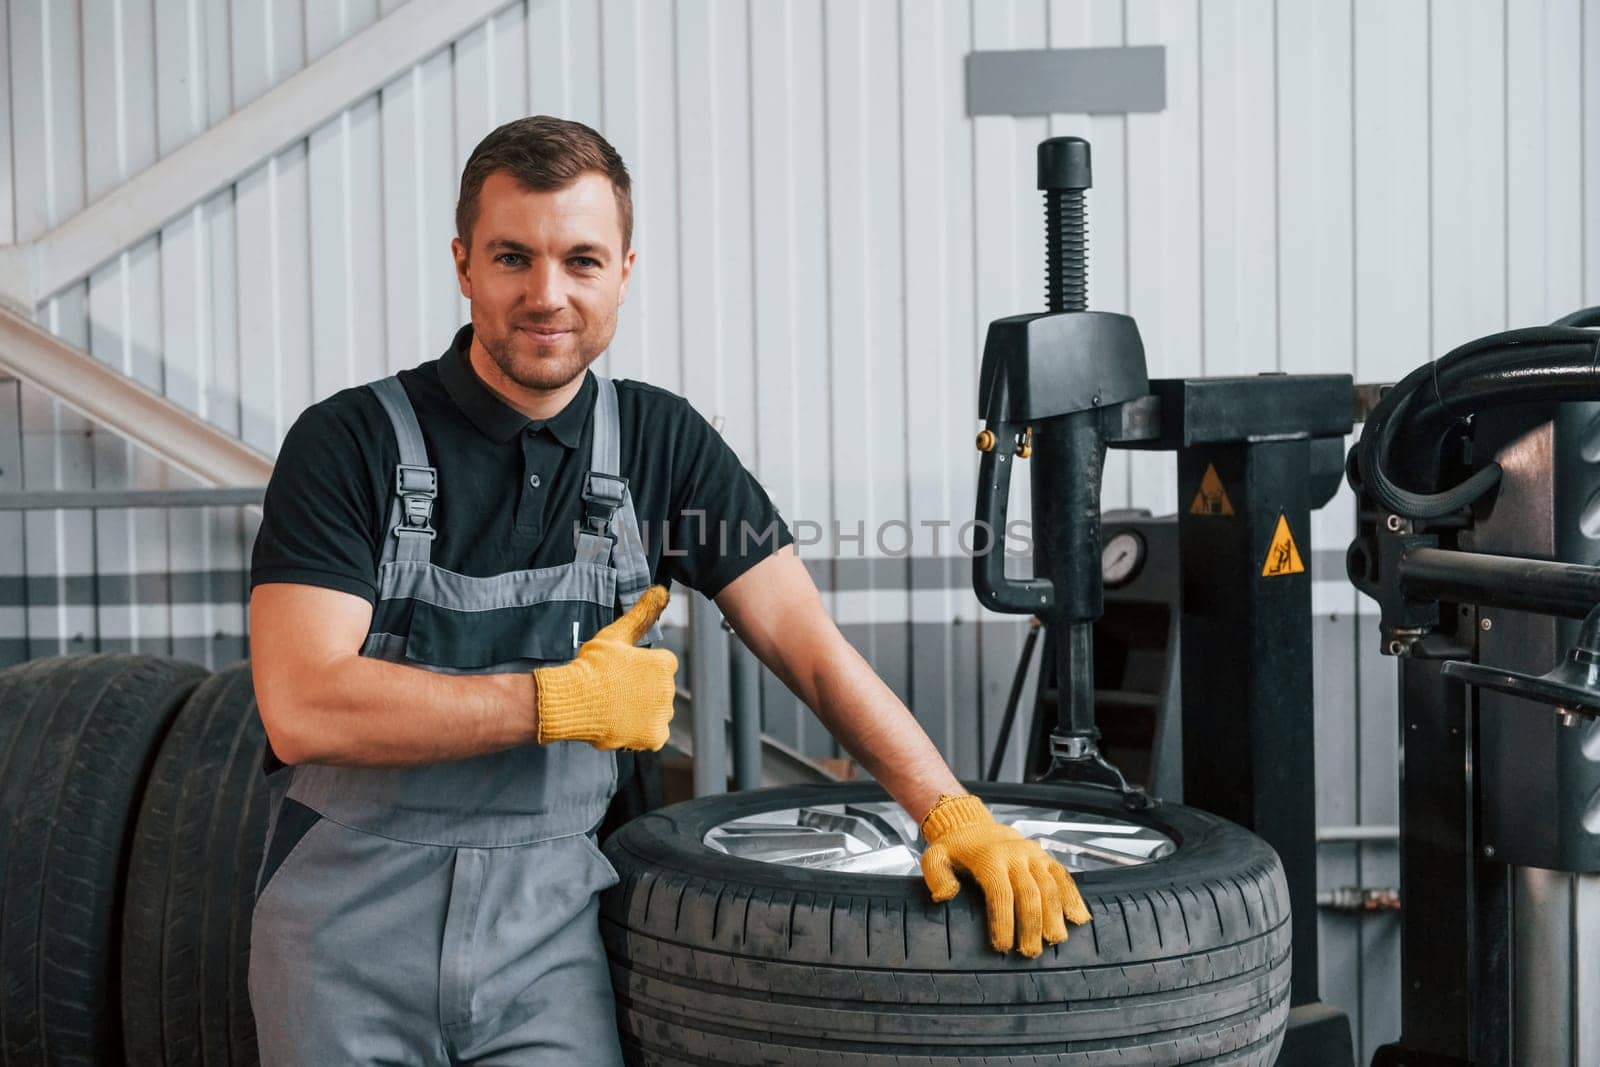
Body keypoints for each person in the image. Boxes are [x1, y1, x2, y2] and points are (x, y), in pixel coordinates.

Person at [246, 115, 1089, 1064]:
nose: (547, 294)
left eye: (582, 260)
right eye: (513, 257)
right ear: (463, 264)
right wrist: (554, 702)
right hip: (346, 941)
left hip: (546, 943)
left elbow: (806, 645)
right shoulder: (349, 442)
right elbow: (304, 706)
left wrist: (949, 810)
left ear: (626, 271)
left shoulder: (662, 445)